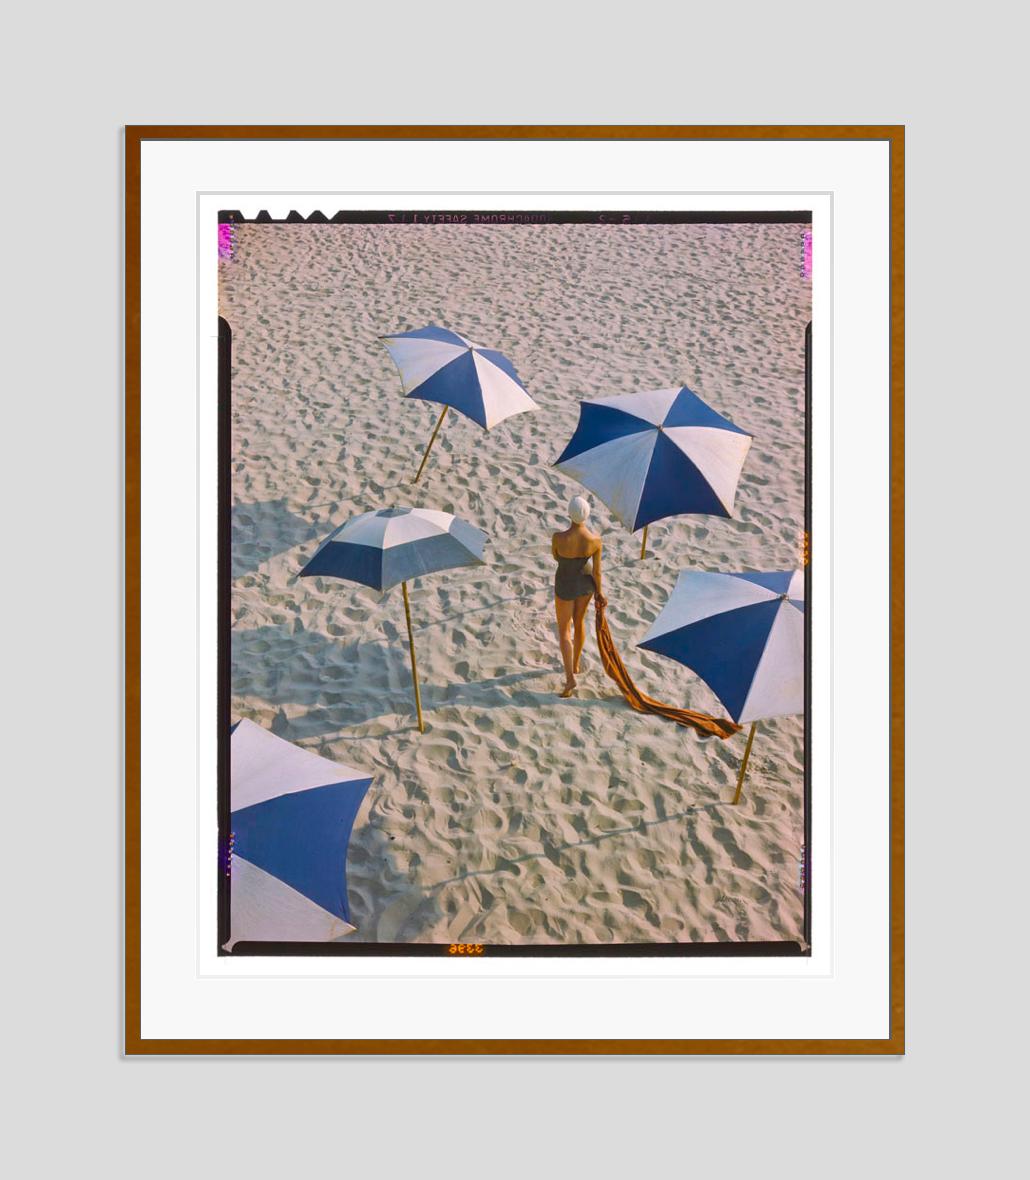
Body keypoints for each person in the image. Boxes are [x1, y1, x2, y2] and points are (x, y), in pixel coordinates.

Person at [552, 495, 604, 698]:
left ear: (569, 514)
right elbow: (597, 572)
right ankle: (575, 665)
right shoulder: (595, 540)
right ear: (587, 514)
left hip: (565, 582)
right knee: (579, 622)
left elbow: (556, 556)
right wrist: (599, 593)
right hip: (586, 583)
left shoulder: (558, 537)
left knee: (564, 631)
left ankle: (570, 679)